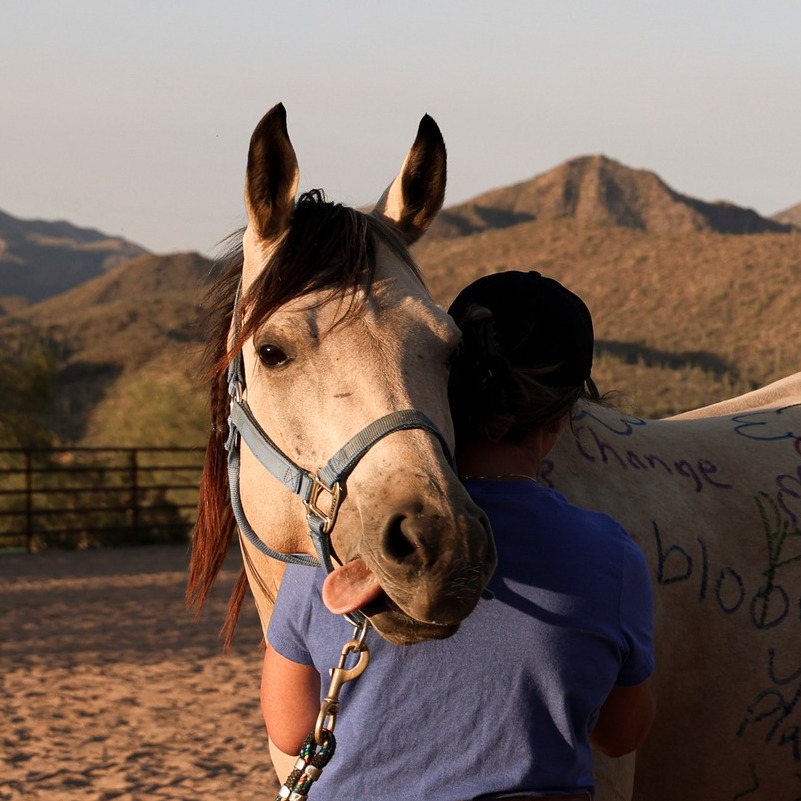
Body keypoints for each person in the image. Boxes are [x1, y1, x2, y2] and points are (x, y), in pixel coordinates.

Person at [261, 270, 655, 800]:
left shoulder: (333, 547)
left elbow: (289, 729)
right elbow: (620, 735)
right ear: (563, 415)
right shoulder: (611, 556)